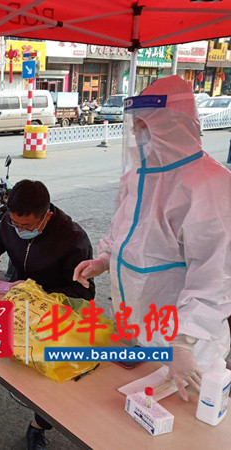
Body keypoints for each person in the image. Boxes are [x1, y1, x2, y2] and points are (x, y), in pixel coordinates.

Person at [73, 76, 231, 400]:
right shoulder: (138, 176)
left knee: (182, 427)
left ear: (173, 124)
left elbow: (214, 278)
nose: (136, 132)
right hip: (139, 330)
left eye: (144, 124)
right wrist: (104, 259)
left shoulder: (208, 185)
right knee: (130, 417)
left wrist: (185, 341)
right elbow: (124, 232)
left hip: (189, 349)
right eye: (135, 124)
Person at [0, 180, 95, 450]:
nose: (18, 230)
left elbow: (83, 291)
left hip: (53, 308)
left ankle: (40, 424)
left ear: (46, 216)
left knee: (50, 369)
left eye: (26, 226)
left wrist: (35, 291)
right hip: (16, 298)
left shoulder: (72, 238)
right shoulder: (9, 222)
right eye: (14, 224)